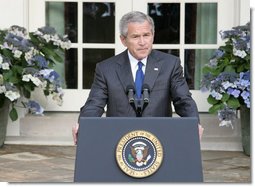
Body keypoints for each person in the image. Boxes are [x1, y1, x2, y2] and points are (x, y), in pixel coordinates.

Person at [72, 11, 204, 144]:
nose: (142, 42)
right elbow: (94, 104)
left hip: (159, 139)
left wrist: (194, 123)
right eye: (135, 37)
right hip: (118, 140)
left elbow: (183, 100)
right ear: (123, 40)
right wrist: (83, 125)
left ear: (153, 35)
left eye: (146, 35)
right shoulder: (106, 69)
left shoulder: (170, 64)